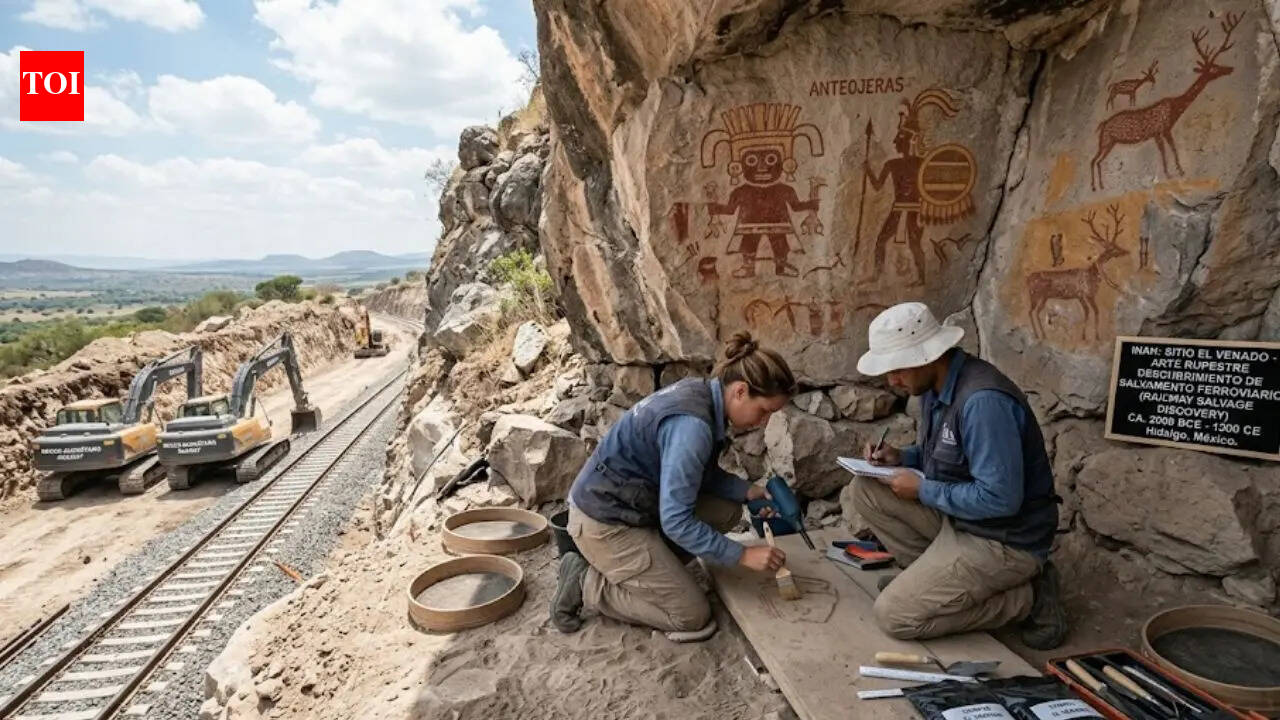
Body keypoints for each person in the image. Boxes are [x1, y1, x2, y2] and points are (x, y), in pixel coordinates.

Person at [551, 332, 797, 639]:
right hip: (605, 522)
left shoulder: (702, 393)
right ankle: (585, 582)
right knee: (691, 615)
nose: (763, 422)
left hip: (634, 505)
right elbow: (676, 520)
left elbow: (695, 473)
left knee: (727, 510)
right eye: (764, 411)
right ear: (740, 391)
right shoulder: (692, 427)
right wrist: (743, 555)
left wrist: (747, 491)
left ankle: (653, 569)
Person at [851, 302, 1067, 650]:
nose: (892, 381)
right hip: (962, 520)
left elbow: (1000, 499)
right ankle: (930, 584)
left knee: (894, 616)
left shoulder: (983, 403)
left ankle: (1028, 598)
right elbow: (949, 457)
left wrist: (923, 490)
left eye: (898, 369)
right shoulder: (933, 387)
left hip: (1005, 539)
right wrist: (901, 457)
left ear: (928, 356)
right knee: (865, 489)